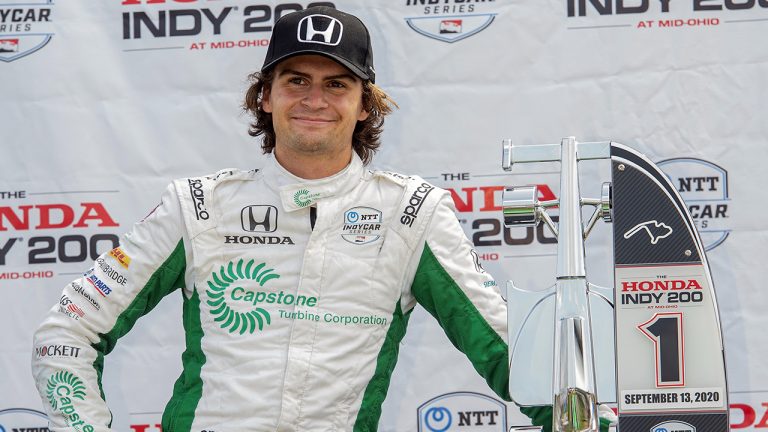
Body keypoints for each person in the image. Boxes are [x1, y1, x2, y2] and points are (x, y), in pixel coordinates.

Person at [32, 6, 607, 432]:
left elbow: (511, 355)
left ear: (365, 104)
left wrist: (588, 421)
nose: (315, 99)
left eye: (337, 84)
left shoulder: (412, 214)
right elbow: (67, 333)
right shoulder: (197, 207)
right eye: (296, 81)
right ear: (265, 96)